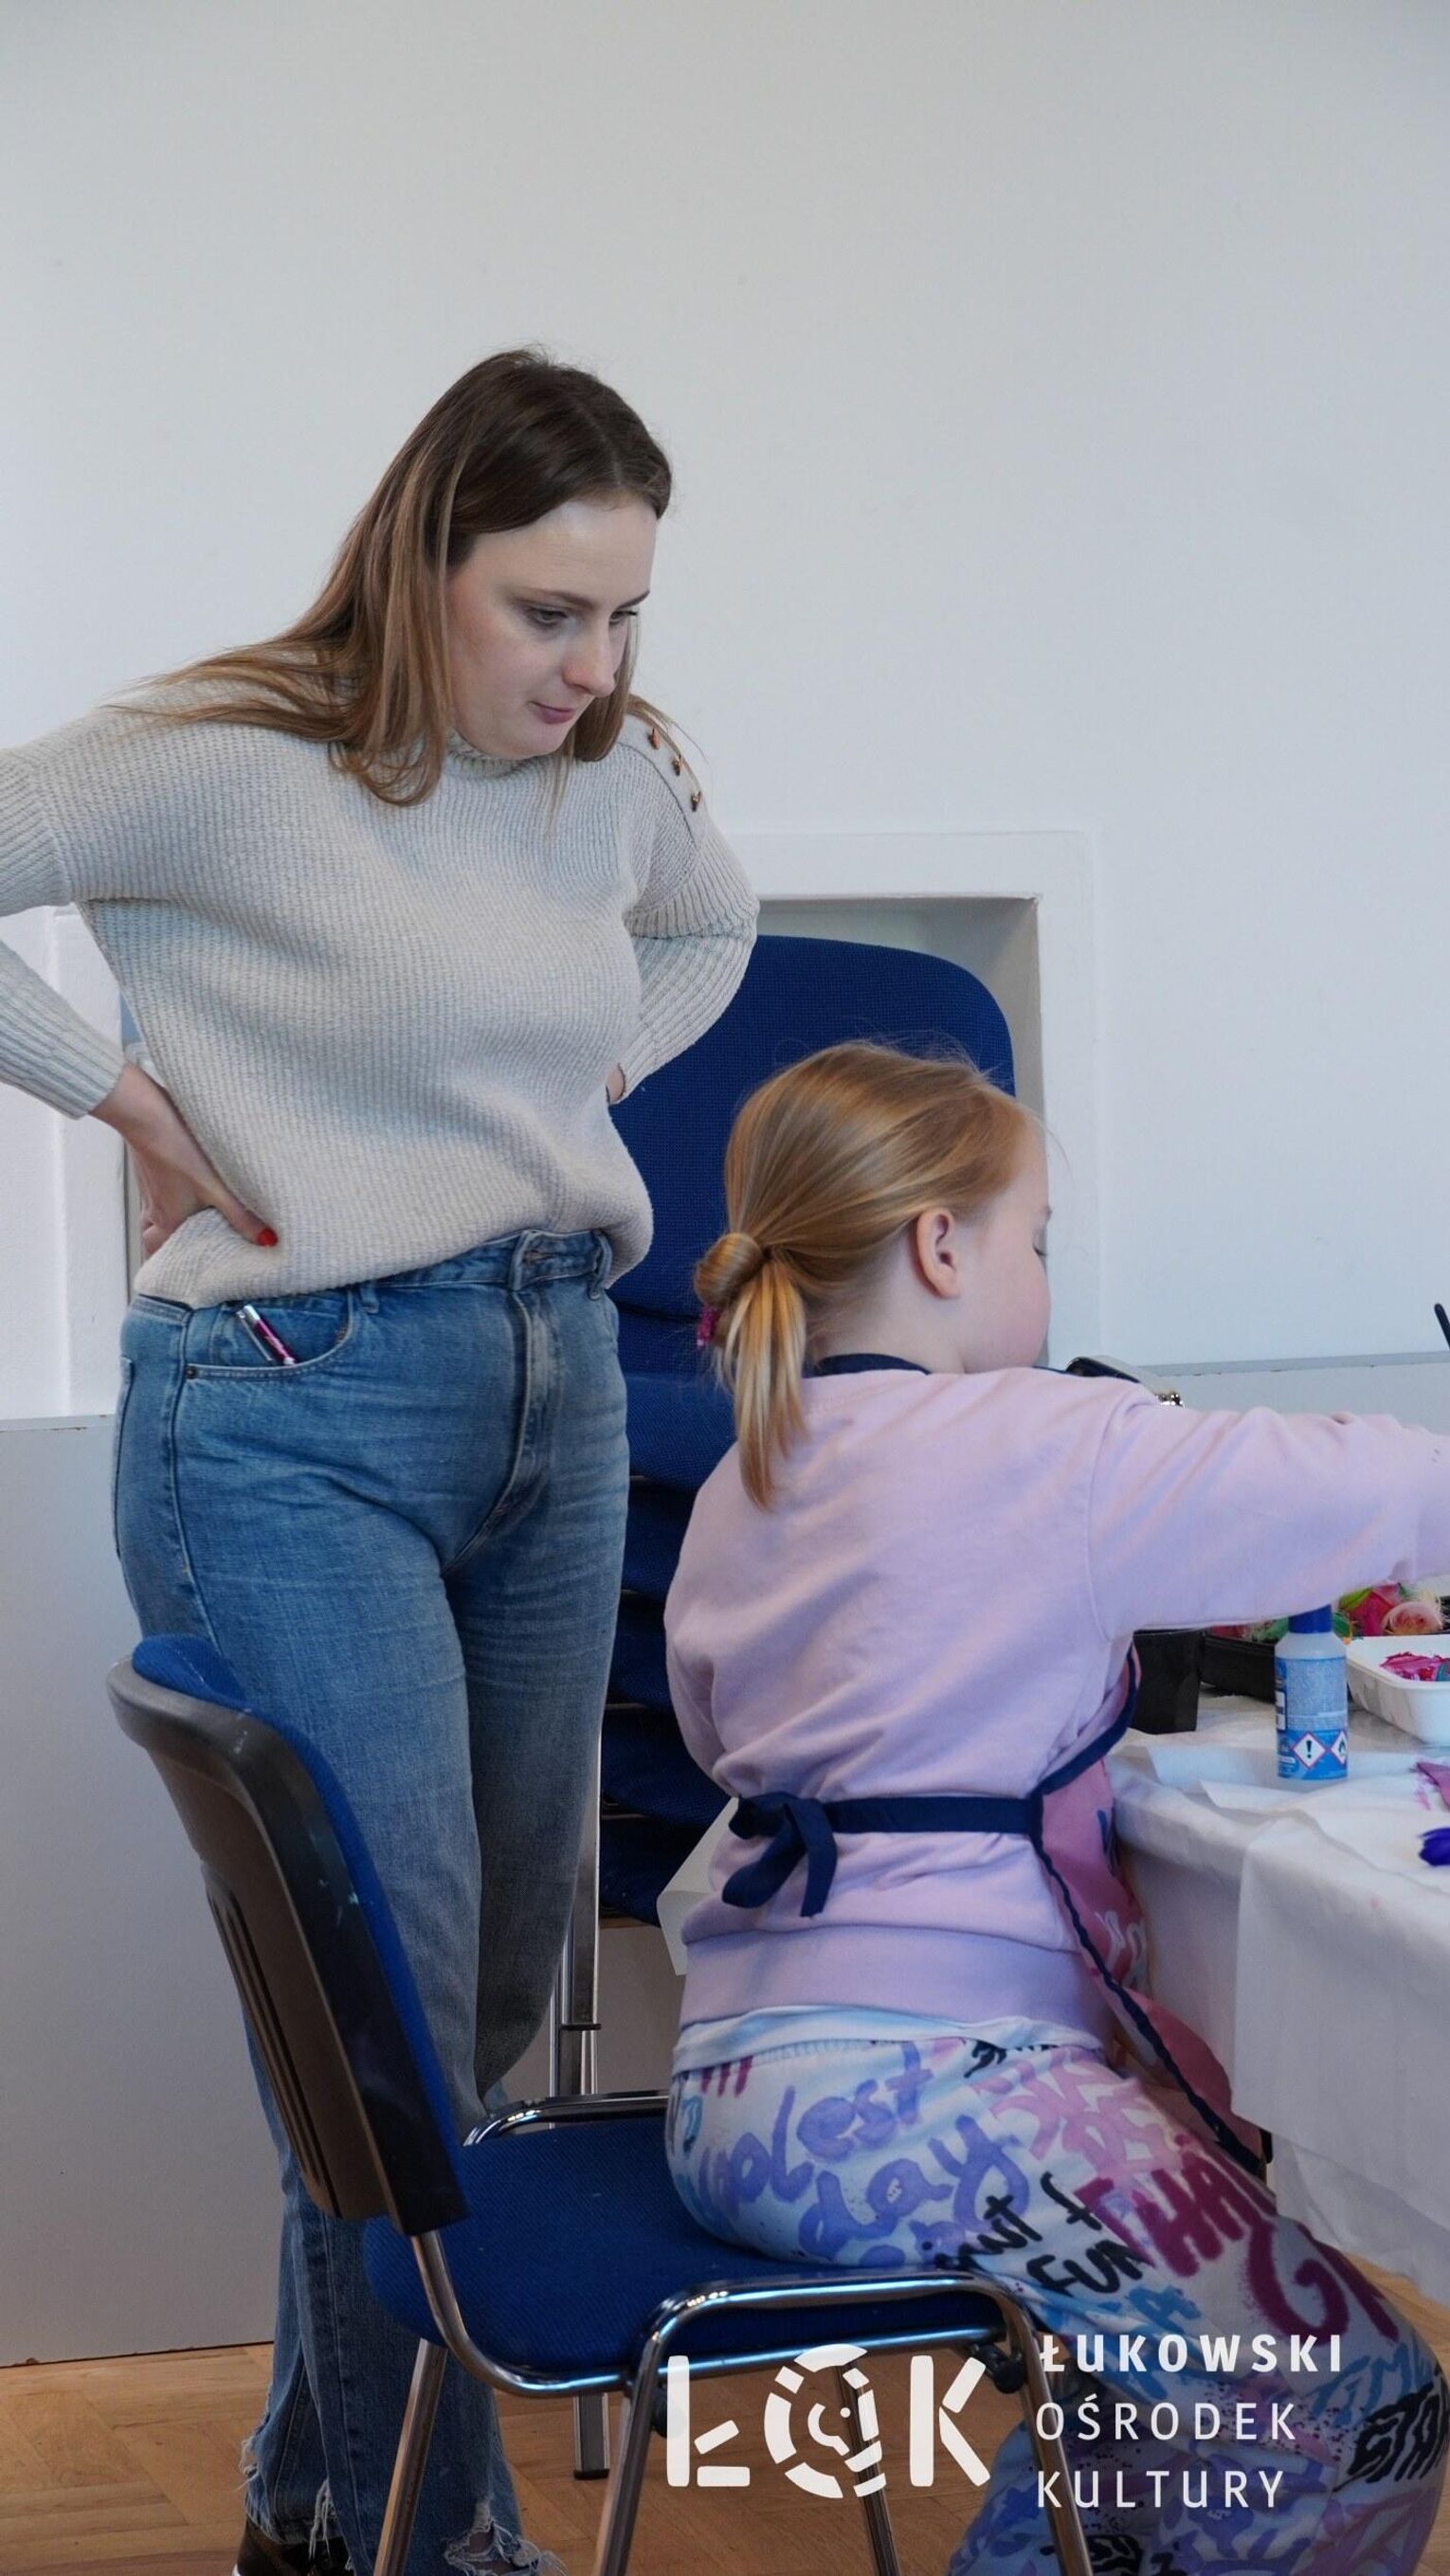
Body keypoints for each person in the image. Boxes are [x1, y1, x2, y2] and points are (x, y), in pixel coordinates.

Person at [0, 349, 757, 2576]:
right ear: (427, 561)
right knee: (397, 2027)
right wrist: (126, 1096)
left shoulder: (608, 778)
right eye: (549, 612)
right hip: (291, 1406)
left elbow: (709, 927)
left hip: (557, 1378)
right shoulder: (226, 763)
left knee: (486, 2009)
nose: (595, 667)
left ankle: (315, 2498)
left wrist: (576, 1076)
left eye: (625, 614)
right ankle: (438, 2547)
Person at [662, 1040, 1449, 2574]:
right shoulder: (1043, 1442)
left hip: (734, 2093)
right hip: (922, 2091)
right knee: (1363, 2412)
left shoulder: (741, 1477)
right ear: (938, 1247)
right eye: (1034, 1241)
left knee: (1147, 2414)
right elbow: (1368, 1486)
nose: (1041, 1278)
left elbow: (722, 1741)